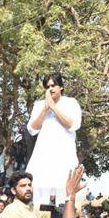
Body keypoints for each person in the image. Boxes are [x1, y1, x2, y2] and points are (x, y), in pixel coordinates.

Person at [25, 73, 82, 206]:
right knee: (39, 194)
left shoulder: (71, 103)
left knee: (64, 194)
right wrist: (45, 109)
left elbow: (73, 125)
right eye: (47, 86)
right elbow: (32, 129)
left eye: (53, 85)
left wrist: (54, 108)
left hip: (64, 155)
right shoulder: (39, 105)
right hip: (43, 156)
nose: (50, 89)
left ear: (61, 86)